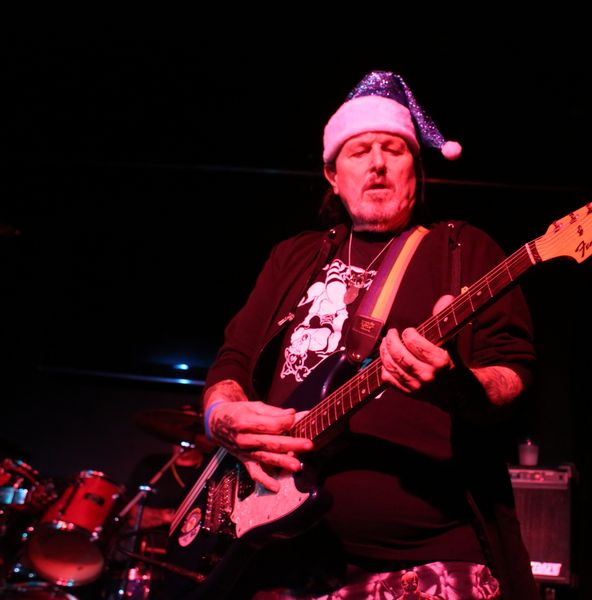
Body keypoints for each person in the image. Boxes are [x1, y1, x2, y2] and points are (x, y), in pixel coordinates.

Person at [196, 71, 537, 599]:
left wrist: (455, 385)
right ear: (332, 175)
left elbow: (512, 373)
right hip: (281, 565)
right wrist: (221, 415)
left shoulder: (462, 250)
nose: (377, 163)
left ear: (415, 170)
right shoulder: (294, 255)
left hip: (426, 566)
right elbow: (232, 363)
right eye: (359, 152)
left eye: (393, 150)